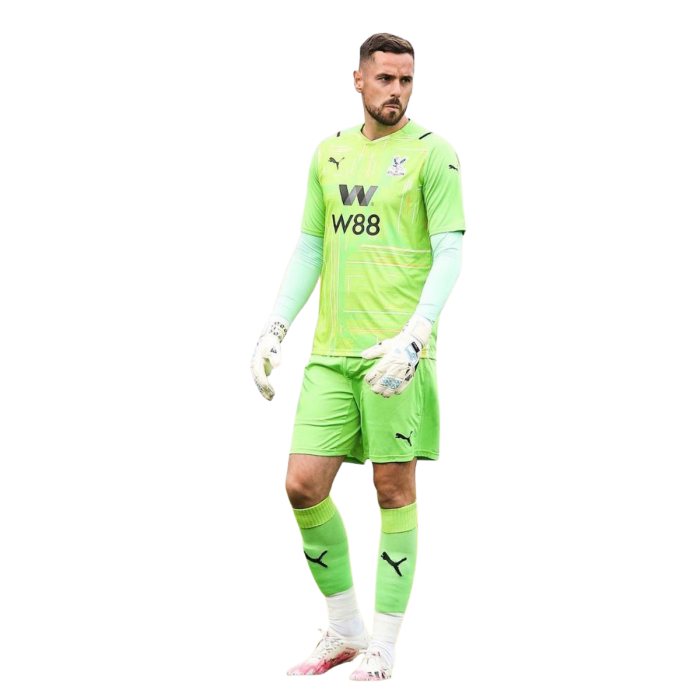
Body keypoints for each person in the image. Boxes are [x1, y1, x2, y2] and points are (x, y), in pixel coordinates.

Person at [250, 32, 466, 682]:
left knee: (392, 488)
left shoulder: (434, 154)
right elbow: (311, 246)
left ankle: (387, 644)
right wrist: (275, 326)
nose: (397, 91)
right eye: (386, 79)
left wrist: (417, 335)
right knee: (301, 484)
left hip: (394, 353)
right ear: (358, 80)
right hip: (329, 353)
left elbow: (451, 252)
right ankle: (345, 629)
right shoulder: (329, 152)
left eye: (407, 80)